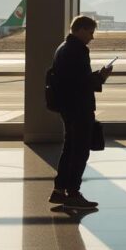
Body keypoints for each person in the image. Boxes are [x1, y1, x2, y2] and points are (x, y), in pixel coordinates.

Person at [49, 15, 112, 209]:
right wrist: (101, 77)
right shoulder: (77, 50)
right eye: (90, 32)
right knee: (79, 151)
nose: (92, 37)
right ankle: (73, 192)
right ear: (81, 30)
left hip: (68, 107)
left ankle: (60, 190)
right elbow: (81, 83)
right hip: (79, 108)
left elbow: (72, 80)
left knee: (69, 149)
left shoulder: (63, 48)